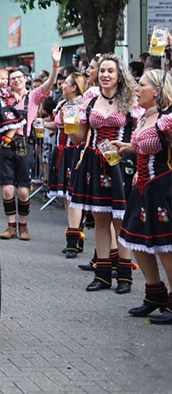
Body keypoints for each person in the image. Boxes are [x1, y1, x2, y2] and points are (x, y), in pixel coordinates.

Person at [67, 54, 137, 293]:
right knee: (100, 220)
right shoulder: (90, 101)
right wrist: (72, 127)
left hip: (121, 165)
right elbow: (79, 138)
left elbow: (139, 136)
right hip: (95, 164)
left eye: (110, 71)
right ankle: (103, 274)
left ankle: (125, 276)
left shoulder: (131, 103)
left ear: (119, 76)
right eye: (103, 71)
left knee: (120, 221)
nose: (105, 75)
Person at [115, 70, 172, 323]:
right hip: (143, 187)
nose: (137, 89)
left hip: (162, 186)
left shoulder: (167, 120)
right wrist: (128, 147)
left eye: (142, 85)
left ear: (157, 91)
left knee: (165, 246)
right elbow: (144, 146)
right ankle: (154, 293)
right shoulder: (143, 118)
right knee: (134, 237)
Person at [0, 45, 63, 241]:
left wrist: (55, 63)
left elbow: (50, 83)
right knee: (7, 189)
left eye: (19, 77)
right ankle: (10, 226)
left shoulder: (33, 96)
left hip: (24, 144)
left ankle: (23, 226)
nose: (16, 80)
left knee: (24, 191)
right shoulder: (4, 97)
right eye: (12, 79)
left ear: (25, 79)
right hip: (5, 146)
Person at [46, 72, 88, 258]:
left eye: (65, 83)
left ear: (74, 87)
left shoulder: (81, 106)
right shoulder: (63, 104)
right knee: (65, 196)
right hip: (61, 150)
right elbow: (57, 126)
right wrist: (41, 123)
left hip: (73, 151)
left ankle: (73, 240)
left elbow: (80, 134)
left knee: (73, 197)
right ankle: (75, 235)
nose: (61, 86)